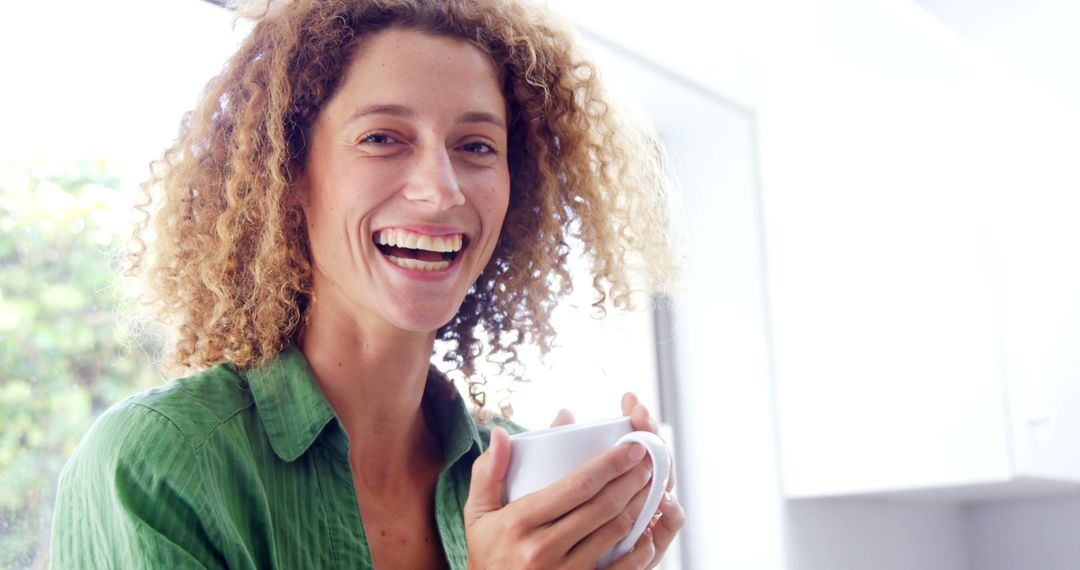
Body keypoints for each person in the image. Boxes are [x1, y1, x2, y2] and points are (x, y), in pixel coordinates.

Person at [50, 0, 685, 568]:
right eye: (382, 138)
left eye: (476, 146)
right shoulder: (166, 464)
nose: (441, 190)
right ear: (292, 174)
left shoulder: (524, 483)